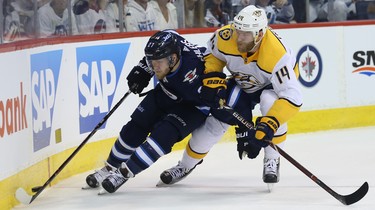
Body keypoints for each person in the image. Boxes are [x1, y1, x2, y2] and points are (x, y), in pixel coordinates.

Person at [159, 5, 302, 188]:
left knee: (269, 102)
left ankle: (272, 159)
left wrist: (269, 124)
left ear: (259, 34)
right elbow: (212, 56)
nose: (239, 37)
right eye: (238, 31)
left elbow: (292, 97)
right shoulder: (225, 36)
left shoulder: (277, 54)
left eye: (245, 34)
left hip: (271, 86)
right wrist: (213, 78)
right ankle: (185, 166)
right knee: (215, 123)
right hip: (242, 84)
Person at [84, 30, 228, 194]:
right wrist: (142, 69)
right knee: (136, 126)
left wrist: (216, 94)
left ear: (173, 59)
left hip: (192, 107)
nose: (154, 66)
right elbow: (159, 47)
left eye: (158, 62)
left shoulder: (195, 68)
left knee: (163, 136)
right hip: (166, 93)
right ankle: (109, 168)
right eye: (151, 62)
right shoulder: (170, 45)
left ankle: (124, 174)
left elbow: (216, 75)